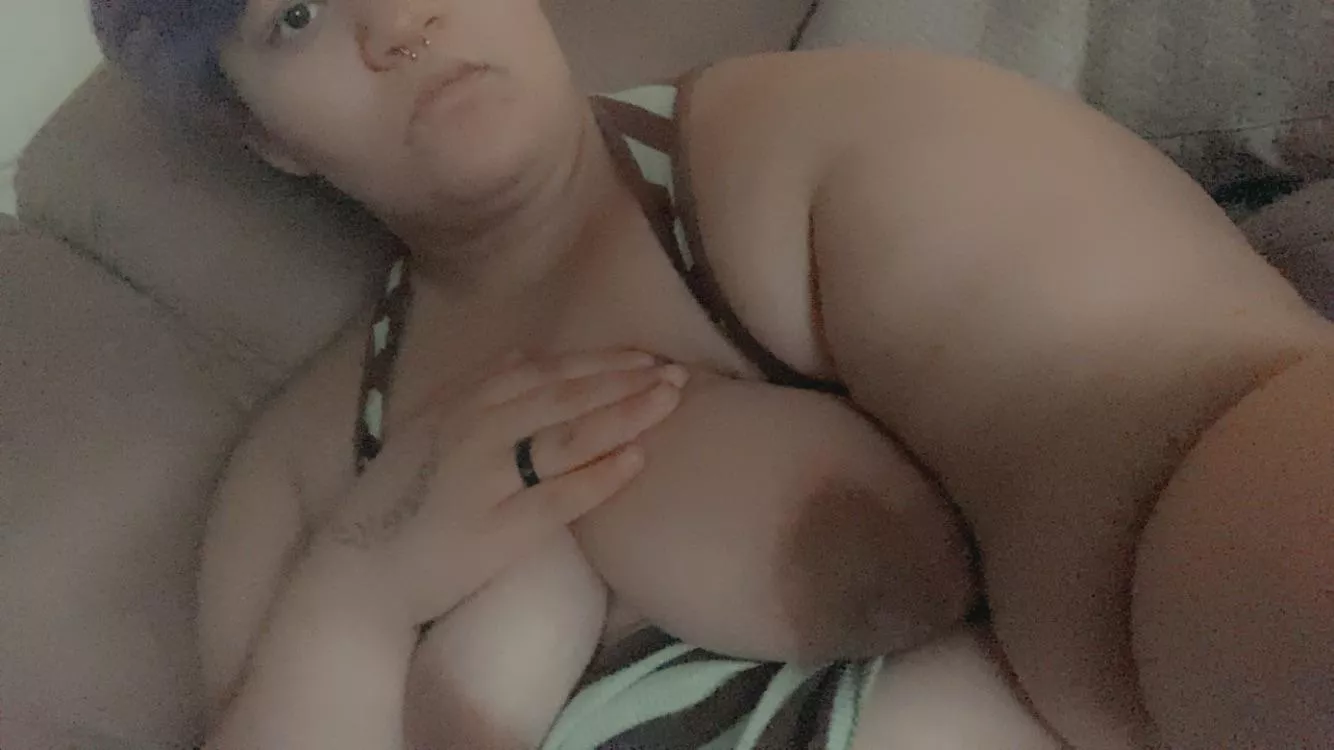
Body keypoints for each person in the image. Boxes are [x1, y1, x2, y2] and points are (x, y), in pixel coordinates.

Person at [90, 1, 1334, 749]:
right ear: (263, 136)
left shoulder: (812, 151)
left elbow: (1171, 441)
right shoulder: (302, 472)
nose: (393, 20)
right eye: (292, 14)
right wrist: (356, 589)